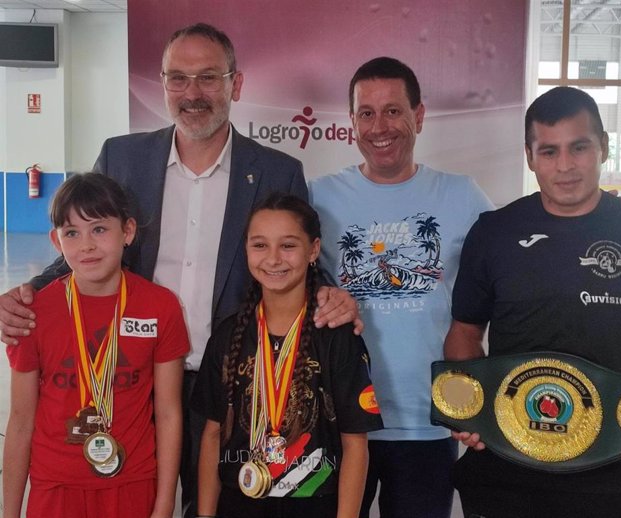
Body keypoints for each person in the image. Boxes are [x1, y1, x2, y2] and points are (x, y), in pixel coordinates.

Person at [0, 23, 359, 518]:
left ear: (236, 84)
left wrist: (333, 296)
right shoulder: (122, 157)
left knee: (221, 504)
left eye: (208, 78)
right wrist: (27, 294)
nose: (193, 94)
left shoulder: (278, 170)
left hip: (236, 384)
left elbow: (293, 255)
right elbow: (84, 243)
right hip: (133, 381)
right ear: (163, 83)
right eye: (178, 78)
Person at [444, 86, 621, 518]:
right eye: (548, 151)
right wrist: (472, 411)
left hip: (608, 465)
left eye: (579, 147)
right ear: (529, 156)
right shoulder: (493, 232)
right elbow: (464, 332)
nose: (565, 166)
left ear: (604, 148)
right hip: (504, 467)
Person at [309, 57, 495, 518]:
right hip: (340, 420)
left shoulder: (462, 195)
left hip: (428, 422)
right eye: (366, 113)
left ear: (419, 116)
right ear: (351, 122)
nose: (380, 126)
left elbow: (518, 256)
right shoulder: (318, 196)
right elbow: (282, 271)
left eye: (393, 110)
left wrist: (611, 212)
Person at [2, 173, 189, 518]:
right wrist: (9, 512)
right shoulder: (34, 314)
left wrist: (164, 505)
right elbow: (20, 420)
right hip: (56, 486)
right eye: (71, 233)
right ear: (56, 242)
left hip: (132, 482)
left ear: (127, 232)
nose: (86, 245)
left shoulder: (160, 307)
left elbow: (168, 413)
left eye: (99, 229)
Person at [192, 193, 383, 517]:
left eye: (288, 245)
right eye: (260, 245)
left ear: (314, 250)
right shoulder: (229, 335)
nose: (273, 258)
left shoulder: (337, 335)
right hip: (239, 502)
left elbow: (355, 444)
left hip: (316, 504)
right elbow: (212, 435)